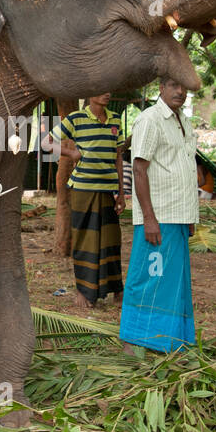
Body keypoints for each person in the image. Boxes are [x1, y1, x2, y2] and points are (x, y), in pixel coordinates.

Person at [119, 77, 199, 356]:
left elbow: (185, 165)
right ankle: (134, 338)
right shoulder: (149, 119)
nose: (180, 90)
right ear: (161, 88)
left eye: (184, 86)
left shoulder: (182, 121)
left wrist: (189, 215)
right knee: (150, 275)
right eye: (173, 85)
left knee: (172, 280)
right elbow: (139, 169)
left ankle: (166, 339)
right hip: (158, 218)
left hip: (178, 215)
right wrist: (149, 219)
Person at [45, 92, 127, 308]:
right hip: (82, 189)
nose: (108, 93)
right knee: (85, 241)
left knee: (111, 241)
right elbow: (46, 143)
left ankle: (117, 291)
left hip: (108, 190)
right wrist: (69, 154)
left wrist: (121, 191)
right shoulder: (75, 119)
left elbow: (118, 156)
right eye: (101, 89)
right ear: (90, 94)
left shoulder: (115, 120)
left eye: (110, 89)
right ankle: (85, 292)